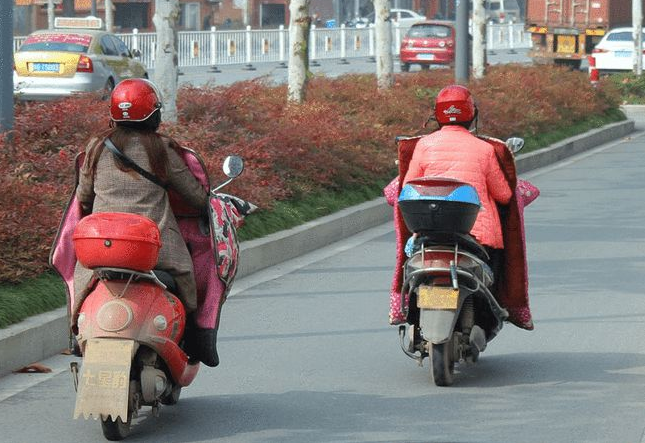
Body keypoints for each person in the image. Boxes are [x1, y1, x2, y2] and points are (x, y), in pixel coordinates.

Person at [73, 78, 208, 325]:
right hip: (153, 249)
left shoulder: (96, 147)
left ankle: (75, 329)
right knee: (188, 280)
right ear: (154, 115)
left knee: (80, 280)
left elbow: (83, 198)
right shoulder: (160, 148)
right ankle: (193, 333)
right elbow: (197, 198)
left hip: (102, 247)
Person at [403, 84, 512, 253]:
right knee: (494, 276)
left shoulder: (424, 145)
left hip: (430, 231)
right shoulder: (485, 149)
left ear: (437, 114)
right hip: (476, 235)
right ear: (472, 113)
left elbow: (407, 187)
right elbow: (504, 195)